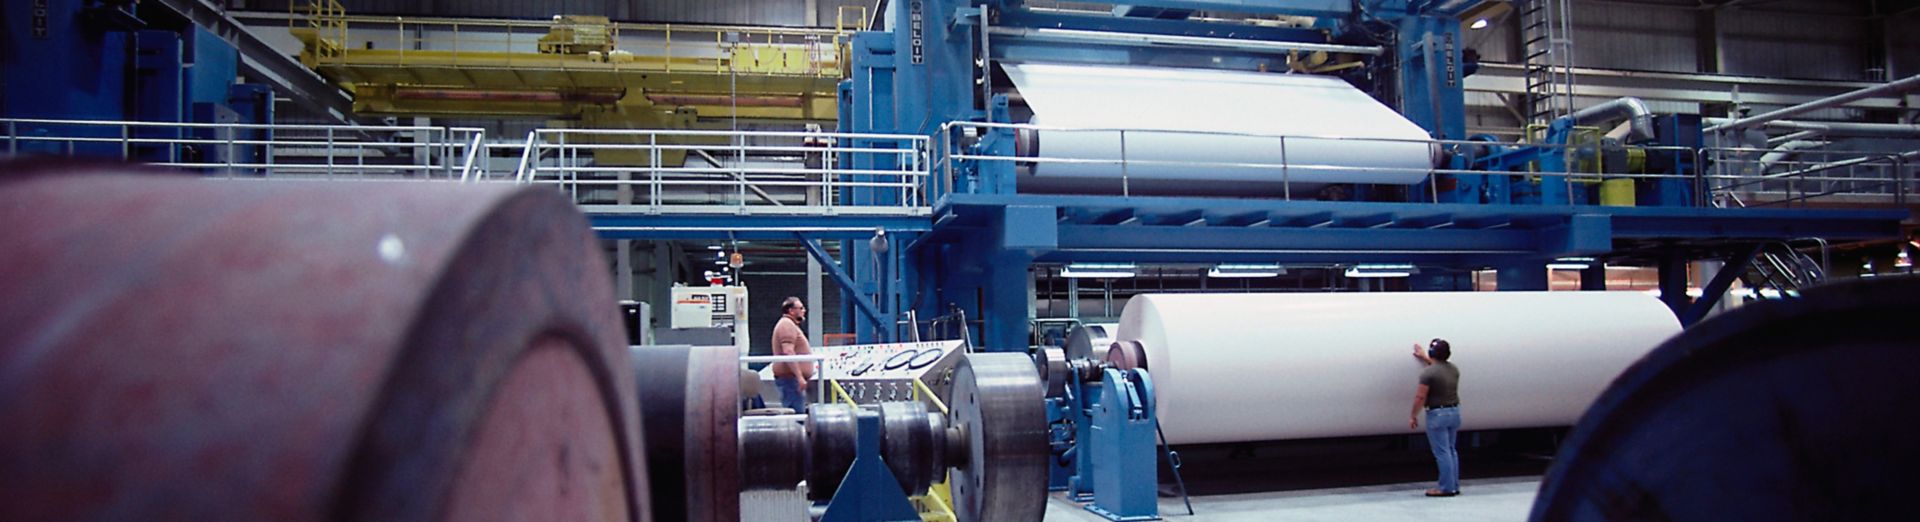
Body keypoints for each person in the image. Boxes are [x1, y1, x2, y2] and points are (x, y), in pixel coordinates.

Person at [1410, 338, 1461, 497]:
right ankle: (1453, 486)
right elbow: (1438, 369)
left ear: (1432, 353)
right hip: (1454, 412)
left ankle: (1445, 488)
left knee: (1442, 452)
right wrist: (1425, 358)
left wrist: (1413, 415)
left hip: (1437, 414)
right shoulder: (1453, 369)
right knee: (1451, 451)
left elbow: (1420, 397)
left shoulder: (1428, 373)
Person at [771, 296, 814, 413]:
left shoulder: (790, 325)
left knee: (799, 413)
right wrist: (799, 377)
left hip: (792, 379)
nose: (804, 310)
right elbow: (788, 351)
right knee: (796, 415)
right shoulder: (786, 325)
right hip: (790, 380)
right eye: (801, 308)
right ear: (791, 311)